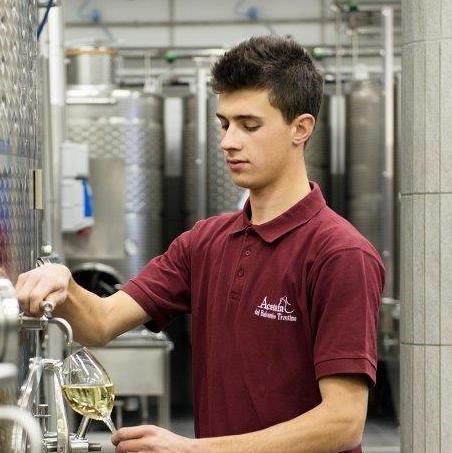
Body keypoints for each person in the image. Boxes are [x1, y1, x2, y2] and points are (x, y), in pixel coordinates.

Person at [16, 35, 384, 453]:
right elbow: (100, 323)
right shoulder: (204, 243)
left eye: (249, 125)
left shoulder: (339, 254)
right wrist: (64, 286)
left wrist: (192, 450)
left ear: (301, 128)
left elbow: (342, 423)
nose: (228, 142)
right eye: (224, 124)